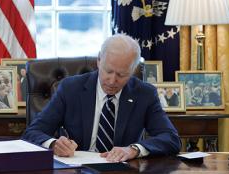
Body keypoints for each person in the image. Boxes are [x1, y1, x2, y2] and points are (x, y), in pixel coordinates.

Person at [22, 34, 181, 162]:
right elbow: (33, 132)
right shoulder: (70, 88)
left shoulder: (145, 94)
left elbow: (171, 139)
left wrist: (133, 149)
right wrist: (54, 144)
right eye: (108, 71)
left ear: (133, 70)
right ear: (99, 61)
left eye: (121, 75)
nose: (112, 81)